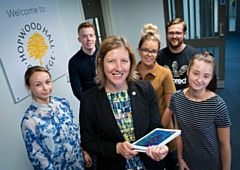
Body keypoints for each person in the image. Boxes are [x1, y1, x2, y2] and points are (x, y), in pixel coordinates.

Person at [80, 35, 169, 170]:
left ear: (131, 63)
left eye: (124, 61)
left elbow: (156, 129)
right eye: (111, 61)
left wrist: (160, 148)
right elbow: (89, 142)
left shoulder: (145, 90)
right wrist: (116, 148)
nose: (119, 68)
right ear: (100, 62)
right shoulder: (89, 99)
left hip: (149, 164)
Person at [162, 52, 231, 170]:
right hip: (188, 163)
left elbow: (225, 145)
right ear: (188, 71)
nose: (199, 80)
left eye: (206, 76)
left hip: (211, 164)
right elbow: (179, 132)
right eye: (196, 73)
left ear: (211, 78)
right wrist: (180, 158)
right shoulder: (177, 98)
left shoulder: (217, 105)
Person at [21, 66, 92, 169]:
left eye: (48, 82)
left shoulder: (63, 103)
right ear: (28, 87)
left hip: (78, 164)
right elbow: (38, 158)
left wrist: (83, 151)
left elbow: (75, 133)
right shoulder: (29, 121)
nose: (45, 88)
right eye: (38, 85)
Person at [136, 23, 177, 170]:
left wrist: (157, 132)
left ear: (157, 53)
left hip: (162, 127)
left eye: (153, 51)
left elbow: (170, 106)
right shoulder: (131, 73)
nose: (149, 54)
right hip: (139, 131)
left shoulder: (165, 73)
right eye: (146, 50)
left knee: (166, 165)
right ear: (139, 51)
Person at [156, 18, 198, 90]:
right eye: (171, 33)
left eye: (178, 33)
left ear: (184, 34)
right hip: (167, 97)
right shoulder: (159, 56)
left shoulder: (194, 55)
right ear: (166, 34)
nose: (174, 36)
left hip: (187, 97)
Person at [68, 22, 98, 101]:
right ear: (79, 39)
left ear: (95, 37)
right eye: (84, 36)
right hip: (89, 102)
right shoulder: (74, 62)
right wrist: (89, 104)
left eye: (91, 35)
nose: (89, 39)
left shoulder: (105, 55)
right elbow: (77, 90)